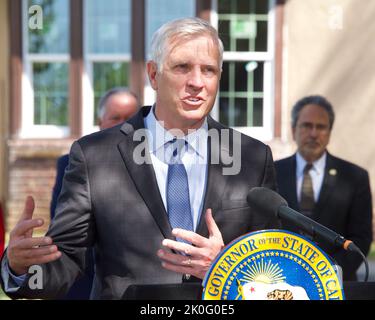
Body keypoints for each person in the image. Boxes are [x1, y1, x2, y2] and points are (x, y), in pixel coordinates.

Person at [1, 18, 279, 300]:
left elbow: (273, 270)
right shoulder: (94, 156)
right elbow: (68, 262)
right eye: (182, 67)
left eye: (208, 70)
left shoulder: (252, 158)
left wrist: (225, 267)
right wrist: (22, 268)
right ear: (154, 74)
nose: (196, 82)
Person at [49, 88, 139, 299]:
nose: (122, 124)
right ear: (100, 123)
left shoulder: (159, 167)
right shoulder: (72, 163)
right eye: (115, 117)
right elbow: (65, 229)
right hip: (86, 283)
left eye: (129, 118)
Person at [275, 95, 373, 281]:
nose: (313, 133)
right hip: (280, 280)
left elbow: (361, 239)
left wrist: (325, 273)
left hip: (337, 284)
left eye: (321, 127)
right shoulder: (272, 171)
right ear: (293, 129)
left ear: (329, 132)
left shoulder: (355, 177)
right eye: (306, 125)